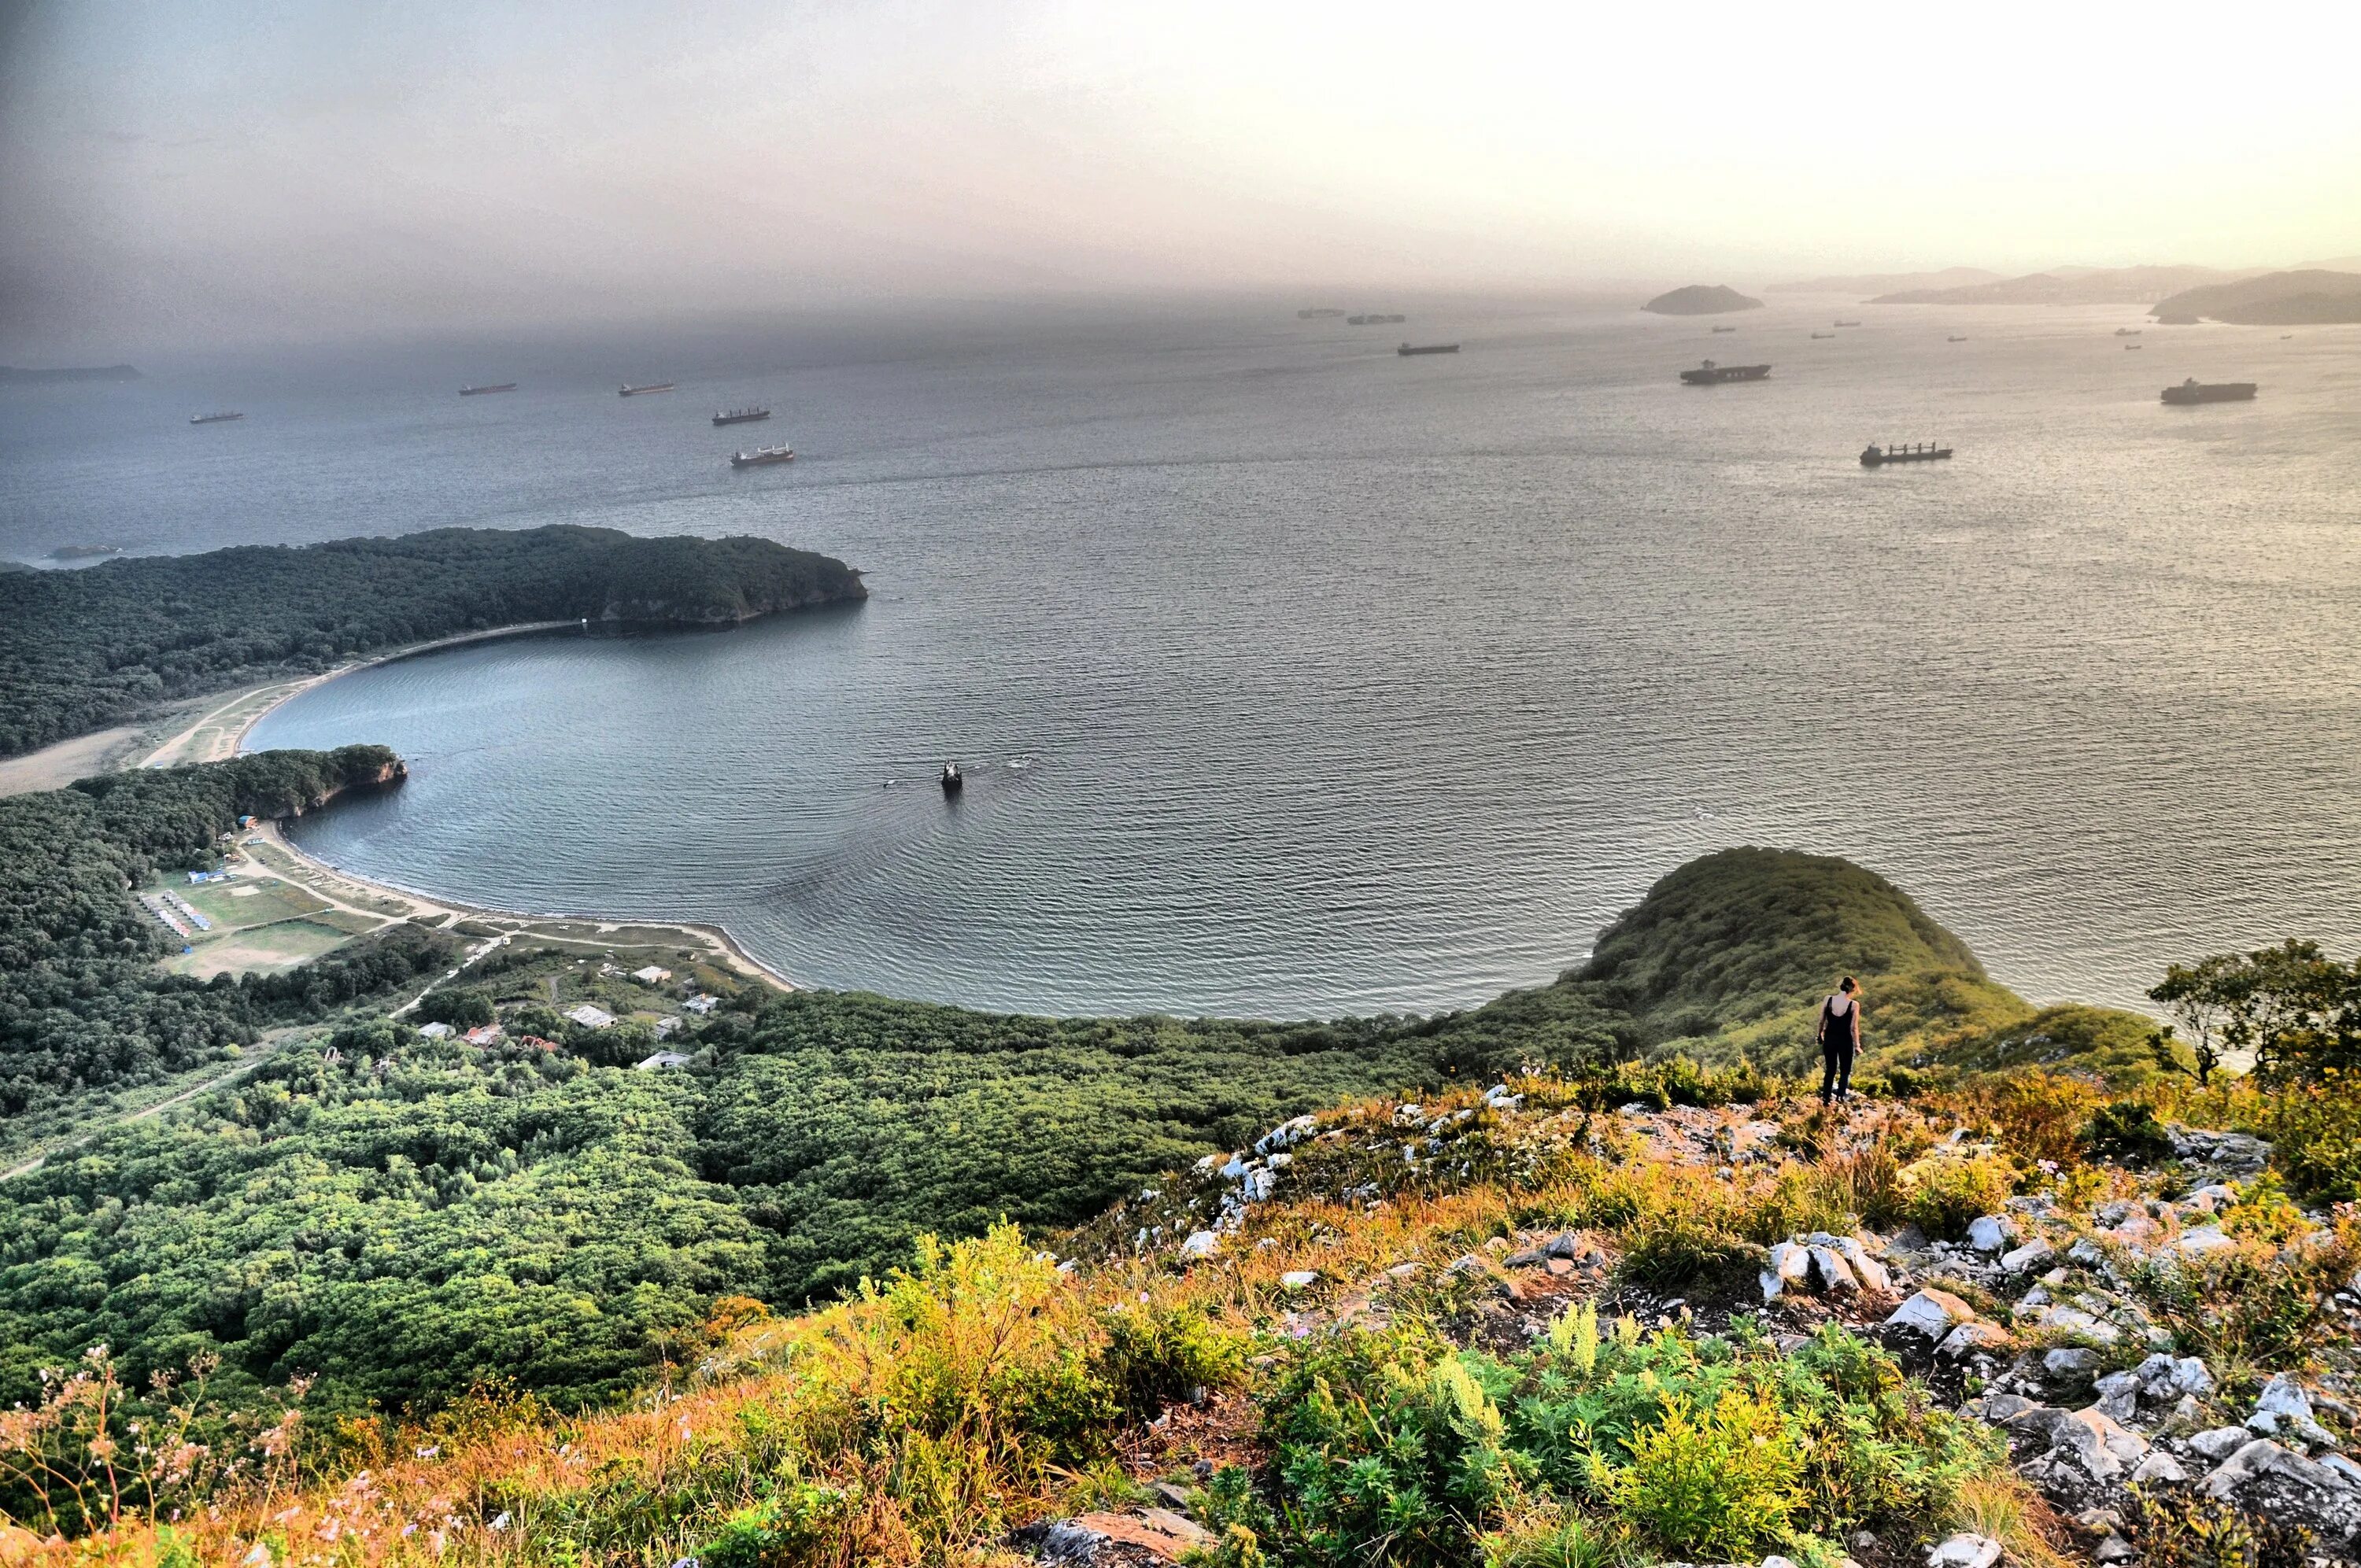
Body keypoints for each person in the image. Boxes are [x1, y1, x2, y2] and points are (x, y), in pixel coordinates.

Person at [1817, 976, 1862, 1106]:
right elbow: (1853, 1028)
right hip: (1845, 1040)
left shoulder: (1828, 999)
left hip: (1830, 1039)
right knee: (1845, 1070)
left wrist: (1819, 1035)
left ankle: (1826, 1099)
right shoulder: (1854, 1005)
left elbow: (1822, 1020)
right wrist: (1857, 1045)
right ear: (1852, 990)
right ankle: (1840, 1099)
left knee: (1830, 1069)